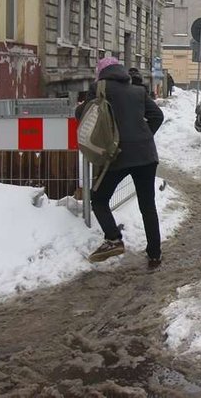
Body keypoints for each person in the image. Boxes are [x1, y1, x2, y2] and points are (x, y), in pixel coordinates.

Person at [76, 56, 165, 267]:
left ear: (101, 73)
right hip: (146, 155)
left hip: (119, 155)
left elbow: (83, 114)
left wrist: (80, 107)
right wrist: (144, 136)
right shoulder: (138, 90)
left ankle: (113, 238)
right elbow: (157, 116)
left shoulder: (100, 88)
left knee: (98, 198)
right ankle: (155, 252)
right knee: (147, 204)